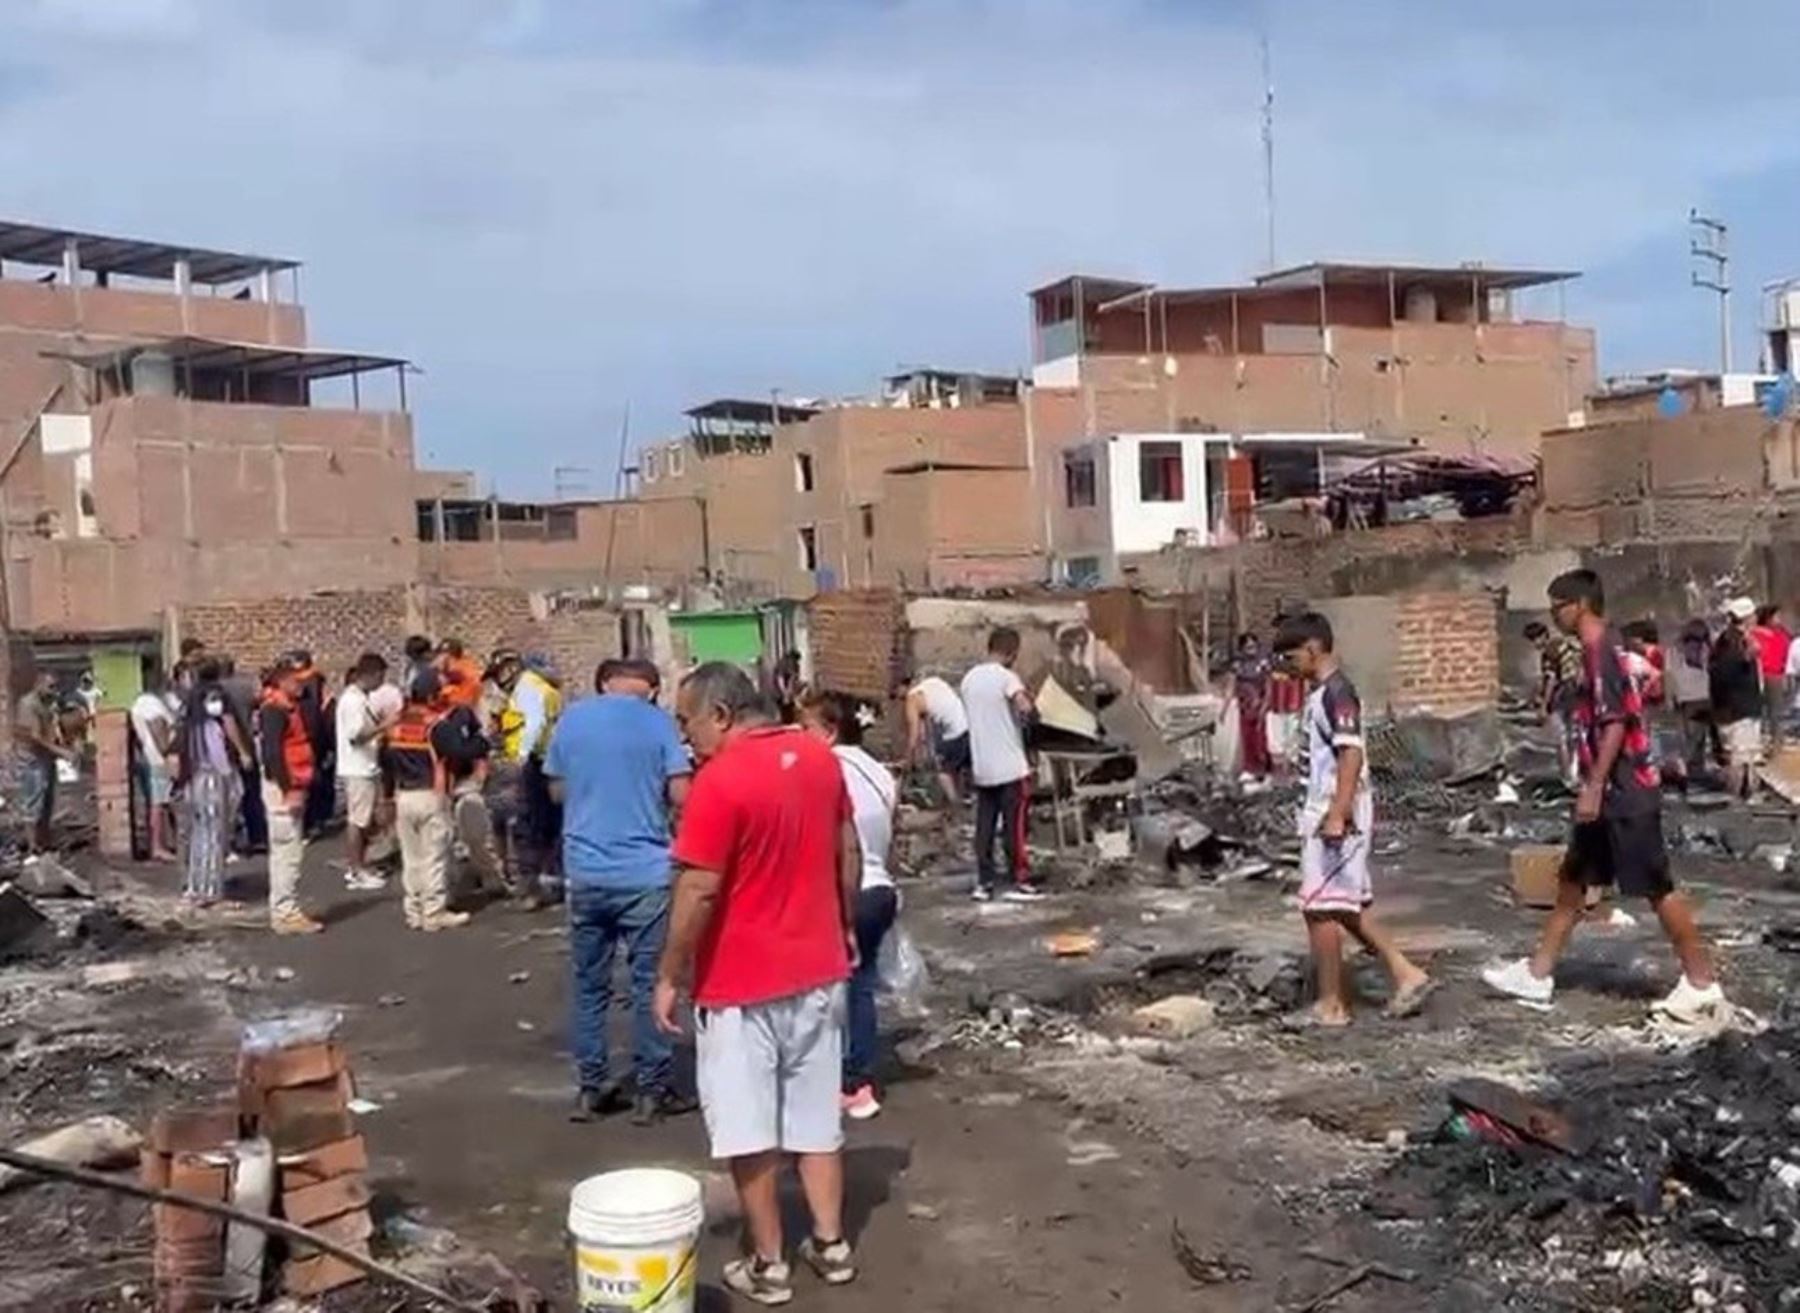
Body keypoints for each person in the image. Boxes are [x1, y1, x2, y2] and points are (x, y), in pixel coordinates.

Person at [655, 663, 858, 1303]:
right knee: (815, 1115)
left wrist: (669, 974)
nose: (686, 739)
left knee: (749, 1131)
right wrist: (847, 926)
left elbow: (699, 886)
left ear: (720, 715)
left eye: (688, 723)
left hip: (741, 985)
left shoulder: (719, 783)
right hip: (818, 970)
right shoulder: (820, 757)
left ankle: (769, 1264)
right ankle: (831, 1243)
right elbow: (845, 848)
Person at [1484, 570, 1725, 1022]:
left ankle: (1701, 981)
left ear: (1578, 604)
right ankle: (1537, 974)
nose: (1554, 616)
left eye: (1557, 606)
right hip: (1609, 791)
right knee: (1573, 882)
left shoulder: (1603, 653)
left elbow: (1614, 722)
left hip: (1625, 791)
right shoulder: (1602, 650)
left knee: (1657, 886)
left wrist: (1593, 785)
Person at [547, 658, 695, 1126]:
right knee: (649, 981)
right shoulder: (658, 724)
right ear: (650, 688)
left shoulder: (572, 719)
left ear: (604, 682)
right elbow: (681, 795)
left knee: (590, 986)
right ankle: (653, 1090)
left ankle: (591, 1088)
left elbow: (555, 790)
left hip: (586, 871)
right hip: (644, 873)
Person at [1272, 613, 1433, 1028]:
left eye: (1291, 657)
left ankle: (1332, 1004)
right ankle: (1404, 972)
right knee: (1341, 906)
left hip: (1335, 809)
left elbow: (1352, 754)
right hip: (1324, 807)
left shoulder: (1338, 694)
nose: (1288, 667)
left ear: (1312, 648)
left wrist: (1338, 814)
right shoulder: (1322, 694)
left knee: (1321, 908)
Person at [799, 689, 898, 1121]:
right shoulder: (878, 771)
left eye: (806, 728)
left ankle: (853, 1080)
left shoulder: (824, 768)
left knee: (834, 989)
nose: (800, 737)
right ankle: (853, 1074)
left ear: (830, 730)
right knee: (860, 984)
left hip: (846, 889)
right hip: (881, 890)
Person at [384, 670, 482, 932]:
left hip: (403, 794)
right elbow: (461, 750)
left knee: (411, 857)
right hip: (430, 794)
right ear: (431, 696)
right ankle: (434, 911)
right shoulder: (435, 726)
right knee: (434, 857)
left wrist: (386, 798)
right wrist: (482, 743)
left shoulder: (395, 725)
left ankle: (414, 911)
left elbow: (385, 763)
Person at [960, 627, 1044, 903]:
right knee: (1015, 828)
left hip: (983, 767)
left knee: (984, 827)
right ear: (1012, 652)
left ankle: (984, 882)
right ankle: (1020, 877)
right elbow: (1024, 708)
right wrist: (1034, 713)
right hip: (1010, 767)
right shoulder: (1007, 677)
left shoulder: (970, 679)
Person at [173, 660, 250, 907]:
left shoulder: (188, 700)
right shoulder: (214, 696)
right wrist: (243, 752)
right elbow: (228, 724)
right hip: (213, 771)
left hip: (193, 772)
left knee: (198, 832)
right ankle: (210, 889)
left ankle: (194, 887)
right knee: (215, 831)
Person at [492, 648, 564, 907]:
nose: (498, 683)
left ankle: (532, 889)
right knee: (551, 825)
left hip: (537, 763)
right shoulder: (544, 686)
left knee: (528, 825)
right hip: (553, 761)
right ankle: (552, 881)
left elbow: (534, 722)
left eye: (497, 675)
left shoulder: (526, 687)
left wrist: (521, 756)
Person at [258, 659, 323, 935]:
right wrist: (289, 791)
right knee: (288, 852)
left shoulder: (283, 706)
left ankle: (285, 910)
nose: (303, 685)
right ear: (282, 680)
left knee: (287, 851)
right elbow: (273, 753)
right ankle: (286, 913)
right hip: (285, 790)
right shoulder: (274, 711)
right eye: (297, 680)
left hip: (290, 786)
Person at [336, 653, 394, 892]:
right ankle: (355, 870)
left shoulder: (360, 698)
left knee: (364, 818)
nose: (382, 683)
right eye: (380, 677)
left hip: (364, 766)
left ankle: (361, 865)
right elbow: (356, 736)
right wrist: (384, 726)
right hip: (357, 767)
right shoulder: (353, 701)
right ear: (370, 675)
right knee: (358, 821)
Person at [15, 670, 76, 855]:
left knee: (46, 802)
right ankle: (33, 846)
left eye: (55, 687)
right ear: (39, 684)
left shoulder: (47, 703)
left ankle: (43, 841)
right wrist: (60, 751)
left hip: (45, 758)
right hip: (31, 760)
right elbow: (35, 737)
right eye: (50, 687)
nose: (53, 691)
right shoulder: (28, 704)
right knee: (33, 801)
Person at [1709, 598, 1764, 799]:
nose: (1757, 618)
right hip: (1738, 710)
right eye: (1753, 615)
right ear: (1746, 617)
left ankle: (1744, 796)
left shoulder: (1732, 640)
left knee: (1745, 757)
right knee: (1741, 758)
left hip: (1738, 708)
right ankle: (1737, 801)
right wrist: (1745, 658)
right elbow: (1722, 676)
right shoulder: (1731, 643)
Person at [1526, 619, 1584, 787]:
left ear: (1544, 636)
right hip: (1581, 692)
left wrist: (1544, 705)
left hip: (1564, 694)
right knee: (1576, 735)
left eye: (1536, 639)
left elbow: (1551, 679)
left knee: (1561, 738)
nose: (1535, 643)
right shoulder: (1568, 644)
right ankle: (1578, 774)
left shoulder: (1550, 651)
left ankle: (1568, 778)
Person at [219, 657, 267, 854]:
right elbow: (259, 703)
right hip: (247, 742)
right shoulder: (245, 687)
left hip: (224, 749)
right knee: (252, 794)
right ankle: (258, 836)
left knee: (229, 797)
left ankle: (231, 840)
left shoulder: (216, 690)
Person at [130, 671, 179, 861]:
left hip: (156, 758)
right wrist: (169, 756)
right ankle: (157, 846)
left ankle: (161, 844)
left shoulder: (146, 702)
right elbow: (159, 731)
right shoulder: (150, 704)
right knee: (159, 803)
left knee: (160, 803)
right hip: (160, 760)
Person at [901, 671, 970, 806]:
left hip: (954, 732)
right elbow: (922, 733)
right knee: (956, 766)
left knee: (943, 771)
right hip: (967, 727)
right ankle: (964, 797)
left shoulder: (912, 698)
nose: (900, 700)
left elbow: (914, 736)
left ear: (902, 688)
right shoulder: (932, 683)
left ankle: (955, 806)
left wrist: (907, 761)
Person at [1668, 619, 1714, 775]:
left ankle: (1690, 768)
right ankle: (1690, 768)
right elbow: (1706, 666)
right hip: (1701, 695)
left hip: (1682, 696)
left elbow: (1669, 673)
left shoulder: (1674, 649)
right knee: (1698, 737)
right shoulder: (1704, 648)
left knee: (1686, 735)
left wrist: (1671, 696)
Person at [1231, 633, 1272, 779]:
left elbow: (1268, 687)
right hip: (1245, 706)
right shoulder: (1238, 665)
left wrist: (1264, 705)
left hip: (1259, 705)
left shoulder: (1262, 664)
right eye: (1248, 647)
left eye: (1253, 646)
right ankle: (1249, 769)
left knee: (1260, 738)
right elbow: (1232, 686)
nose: (1251, 650)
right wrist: (1225, 708)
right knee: (1246, 737)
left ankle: (1263, 769)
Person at [1755, 604, 1793, 747]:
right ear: (1767, 618)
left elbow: (1788, 650)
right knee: (1758, 711)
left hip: (1776, 674)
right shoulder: (1757, 633)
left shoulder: (1781, 633)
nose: (1779, 619)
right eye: (1776, 616)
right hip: (1761, 673)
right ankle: (1758, 740)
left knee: (1776, 711)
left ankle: (1777, 741)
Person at [435, 638, 485, 710]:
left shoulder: (464, 671)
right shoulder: (449, 669)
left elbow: (475, 688)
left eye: (442, 655)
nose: (438, 658)